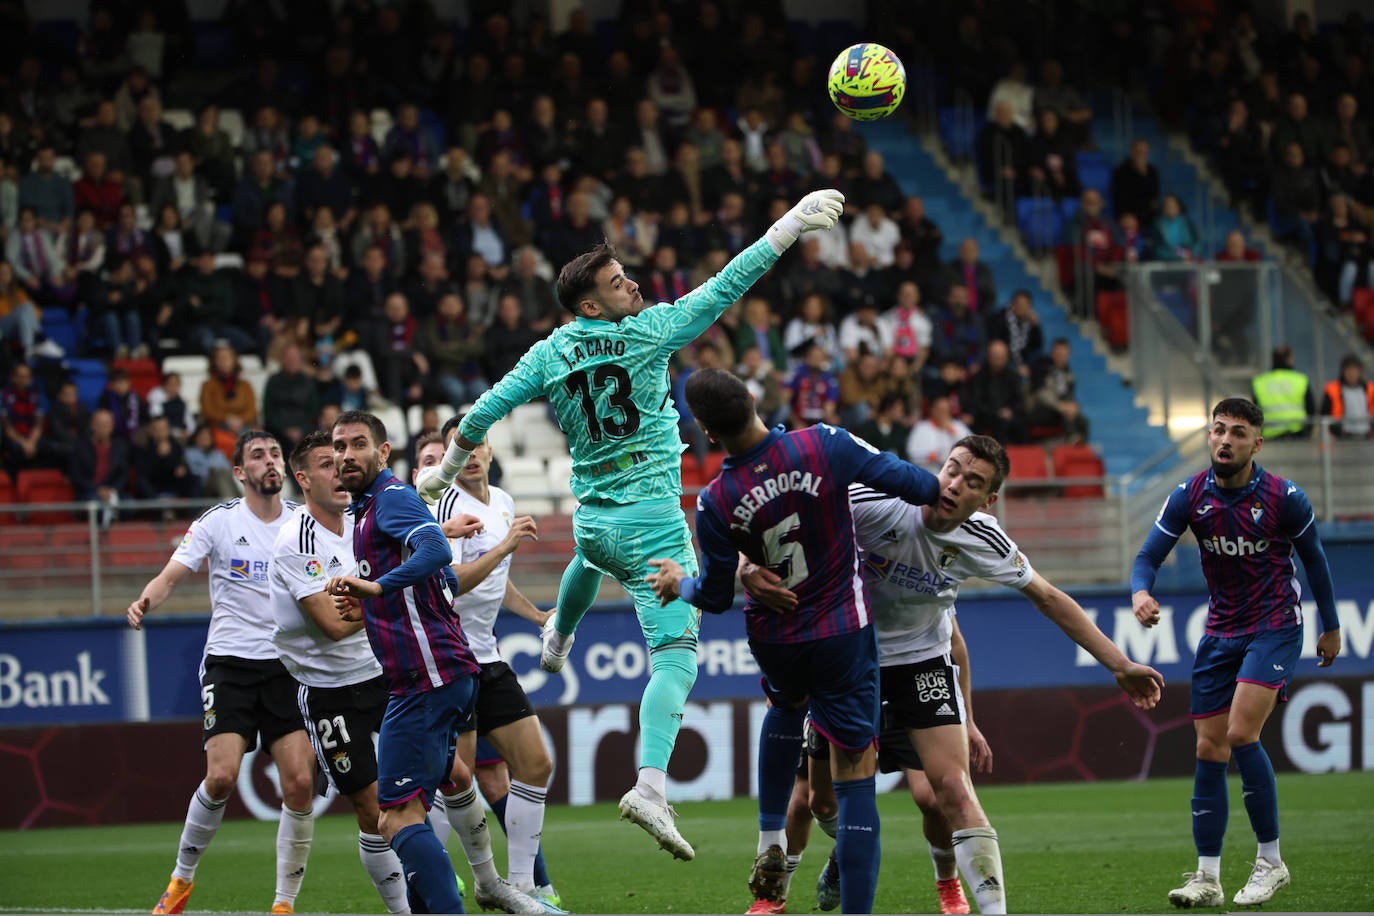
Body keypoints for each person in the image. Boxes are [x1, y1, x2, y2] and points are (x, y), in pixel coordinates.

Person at [416, 188, 847, 859]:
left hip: (593, 524)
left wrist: (442, 474)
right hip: (651, 526)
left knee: (590, 560)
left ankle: (560, 631)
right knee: (675, 659)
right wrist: (788, 225)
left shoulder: (550, 352)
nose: (634, 285)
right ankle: (650, 786)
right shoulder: (649, 333)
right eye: (618, 282)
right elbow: (729, 284)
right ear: (592, 305)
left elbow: (482, 413)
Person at [741, 434, 1166, 915]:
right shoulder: (876, 500)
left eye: (974, 482)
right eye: (953, 469)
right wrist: (747, 565)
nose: (956, 484)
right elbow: (783, 515)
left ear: (988, 500)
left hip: (921, 662)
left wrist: (1120, 664)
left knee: (951, 791)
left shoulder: (984, 539)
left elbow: (1049, 598)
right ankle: (832, 858)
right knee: (818, 803)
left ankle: (984, 906)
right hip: (849, 659)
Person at [644, 367, 944, 915]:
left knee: (784, 706)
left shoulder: (715, 501)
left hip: (776, 636)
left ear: (707, 432)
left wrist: (678, 583)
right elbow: (920, 486)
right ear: (752, 397)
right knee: (855, 779)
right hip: (842, 633)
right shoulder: (825, 444)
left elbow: (713, 596)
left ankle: (770, 838)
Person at [324, 410, 542, 916]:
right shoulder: (367, 509)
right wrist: (370, 605)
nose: (346, 455)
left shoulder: (390, 498)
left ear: (383, 452)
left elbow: (437, 549)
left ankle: (485, 891)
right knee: (455, 781)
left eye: (358, 444)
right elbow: (438, 580)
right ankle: (492, 884)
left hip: (425, 679)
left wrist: (377, 588)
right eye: (339, 446)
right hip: (439, 674)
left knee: (395, 819)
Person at [1131, 397, 1341, 908]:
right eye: (1219, 429)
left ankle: (1271, 861)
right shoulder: (1189, 495)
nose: (1225, 440)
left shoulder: (1284, 498)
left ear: (1257, 444)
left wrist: (1331, 626)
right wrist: (1140, 592)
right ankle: (1207, 877)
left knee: (1241, 732)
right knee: (1209, 748)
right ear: (1209, 435)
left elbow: (1315, 562)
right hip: (1220, 631)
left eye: (1238, 432)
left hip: (1274, 626)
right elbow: (1147, 556)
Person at [126, 430, 316, 915]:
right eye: (258, 455)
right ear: (239, 472)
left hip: (288, 665)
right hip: (230, 663)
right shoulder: (218, 521)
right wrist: (146, 599)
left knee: (299, 783)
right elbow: (172, 574)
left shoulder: (303, 522)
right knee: (222, 777)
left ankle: (284, 904)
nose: (270, 462)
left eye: (275, 454)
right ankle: (181, 879)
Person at [413, 423, 563, 910]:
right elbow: (449, 581)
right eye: (462, 447)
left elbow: (498, 579)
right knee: (456, 779)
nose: (472, 453)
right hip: (451, 657)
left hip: (489, 657)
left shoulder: (501, 501)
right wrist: (504, 547)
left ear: (491, 450)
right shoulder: (444, 506)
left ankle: (522, 887)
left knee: (536, 763)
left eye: (478, 443)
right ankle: (427, 884)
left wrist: (537, 615)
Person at [268, 430, 408, 914]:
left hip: (382, 673)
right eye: (327, 464)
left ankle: (489, 880)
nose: (341, 469)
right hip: (330, 692)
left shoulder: (366, 521)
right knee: (372, 810)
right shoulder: (297, 541)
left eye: (343, 459)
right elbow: (331, 625)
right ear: (303, 479)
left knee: (451, 773)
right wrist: (388, 595)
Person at [787, 620, 988, 916]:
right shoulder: (842, 590)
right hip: (848, 689)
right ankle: (839, 852)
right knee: (814, 803)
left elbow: (954, 641)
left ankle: (948, 882)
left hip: (905, 692)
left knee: (933, 800)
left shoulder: (923, 593)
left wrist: (968, 720)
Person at [1251, 346, 1313, 440]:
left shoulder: (1259, 382)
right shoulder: (1301, 380)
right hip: (1298, 434)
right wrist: (1308, 431)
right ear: (1289, 359)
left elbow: (1254, 411)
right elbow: (1311, 409)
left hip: (1270, 435)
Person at [1319, 354, 1374, 439]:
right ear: (1343, 372)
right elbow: (1324, 414)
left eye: (1354, 371)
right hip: (1342, 437)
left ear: (1360, 372)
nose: (1351, 374)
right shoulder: (1332, 390)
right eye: (1348, 371)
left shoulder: (1370, 389)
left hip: (1366, 435)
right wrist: (1336, 430)